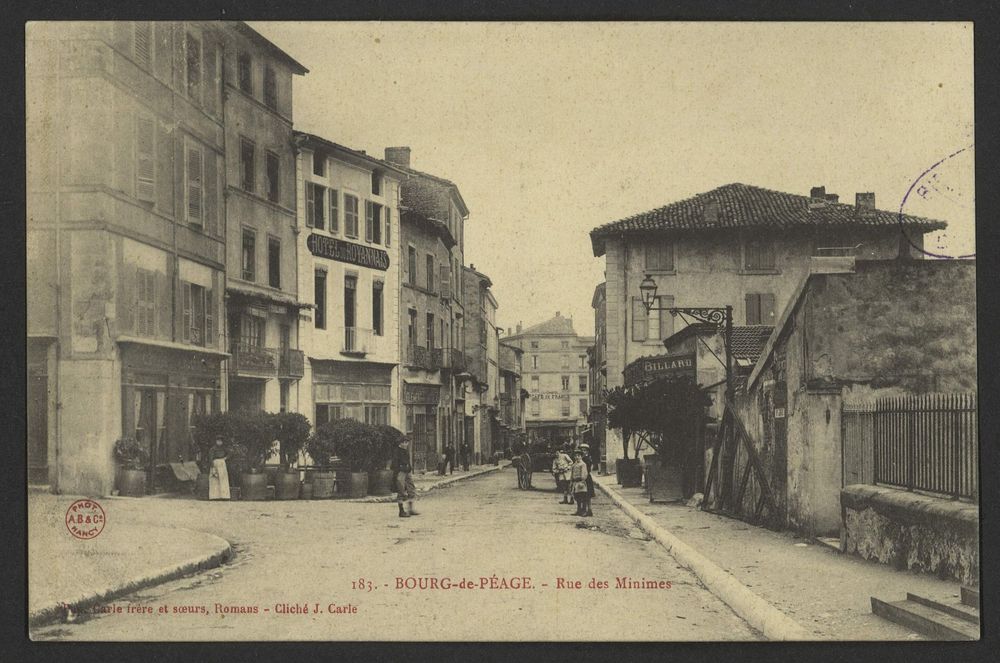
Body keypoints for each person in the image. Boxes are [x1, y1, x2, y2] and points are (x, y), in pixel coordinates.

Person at [391, 436, 418, 518]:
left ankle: (410, 509)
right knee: (401, 490)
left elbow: (408, 461)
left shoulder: (406, 451)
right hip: (401, 472)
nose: (407, 444)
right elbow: (394, 464)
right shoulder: (397, 451)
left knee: (411, 488)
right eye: (405, 442)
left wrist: (409, 468)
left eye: (407, 442)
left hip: (407, 472)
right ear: (401, 443)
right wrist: (400, 470)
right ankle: (401, 511)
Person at [569, 449, 590, 516]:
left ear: (581, 456)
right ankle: (579, 510)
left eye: (578, 456)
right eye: (576, 456)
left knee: (582, 497)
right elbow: (572, 474)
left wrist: (581, 479)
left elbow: (584, 474)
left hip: (581, 482)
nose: (577, 457)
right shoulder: (574, 464)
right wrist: (571, 481)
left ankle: (584, 511)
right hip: (575, 483)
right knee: (577, 497)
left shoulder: (583, 464)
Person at [580, 443, 595, 517]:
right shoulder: (584, 458)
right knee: (585, 495)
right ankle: (588, 510)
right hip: (585, 477)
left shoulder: (586, 459)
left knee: (586, 495)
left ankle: (586, 510)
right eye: (582, 450)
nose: (583, 451)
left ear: (587, 451)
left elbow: (588, 469)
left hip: (586, 477)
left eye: (585, 450)